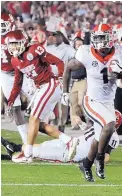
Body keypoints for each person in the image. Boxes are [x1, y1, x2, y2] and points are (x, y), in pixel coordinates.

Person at [62, 24, 122, 181]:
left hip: (108, 103)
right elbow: (68, 67)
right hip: (91, 100)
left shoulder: (121, 53)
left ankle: (86, 164)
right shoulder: (86, 52)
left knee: (99, 137)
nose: (99, 42)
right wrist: (65, 91)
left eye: (102, 38)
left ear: (110, 38)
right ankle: (100, 160)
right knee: (110, 124)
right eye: (97, 38)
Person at [5, 30, 78, 163]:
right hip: (41, 88)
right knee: (38, 124)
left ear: (23, 42)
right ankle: (69, 140)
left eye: (16, 44)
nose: (13, 48)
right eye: (11, 45)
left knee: (33, 119)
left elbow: (58, 62)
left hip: (50, 84)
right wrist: (10, 100)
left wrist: (61, 78)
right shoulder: (15, 60)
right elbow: (17, 82)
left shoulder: (33, 50)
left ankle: (27, 153)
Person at [1, 110, 122, 163]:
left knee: (36, 151)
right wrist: (80, 123)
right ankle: (14, 147)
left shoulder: (113, 136)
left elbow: (106, 155)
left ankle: (11, 151)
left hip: (73, 153)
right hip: (72, 143)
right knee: (39, 146)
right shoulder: (99, 125)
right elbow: (89, 133)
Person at [1, 13, 29, 144]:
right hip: (6, 74)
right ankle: (26, 140)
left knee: (37, 97)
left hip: (22, 71)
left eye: (3, 25)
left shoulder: (16, 35)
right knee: (15, 106)